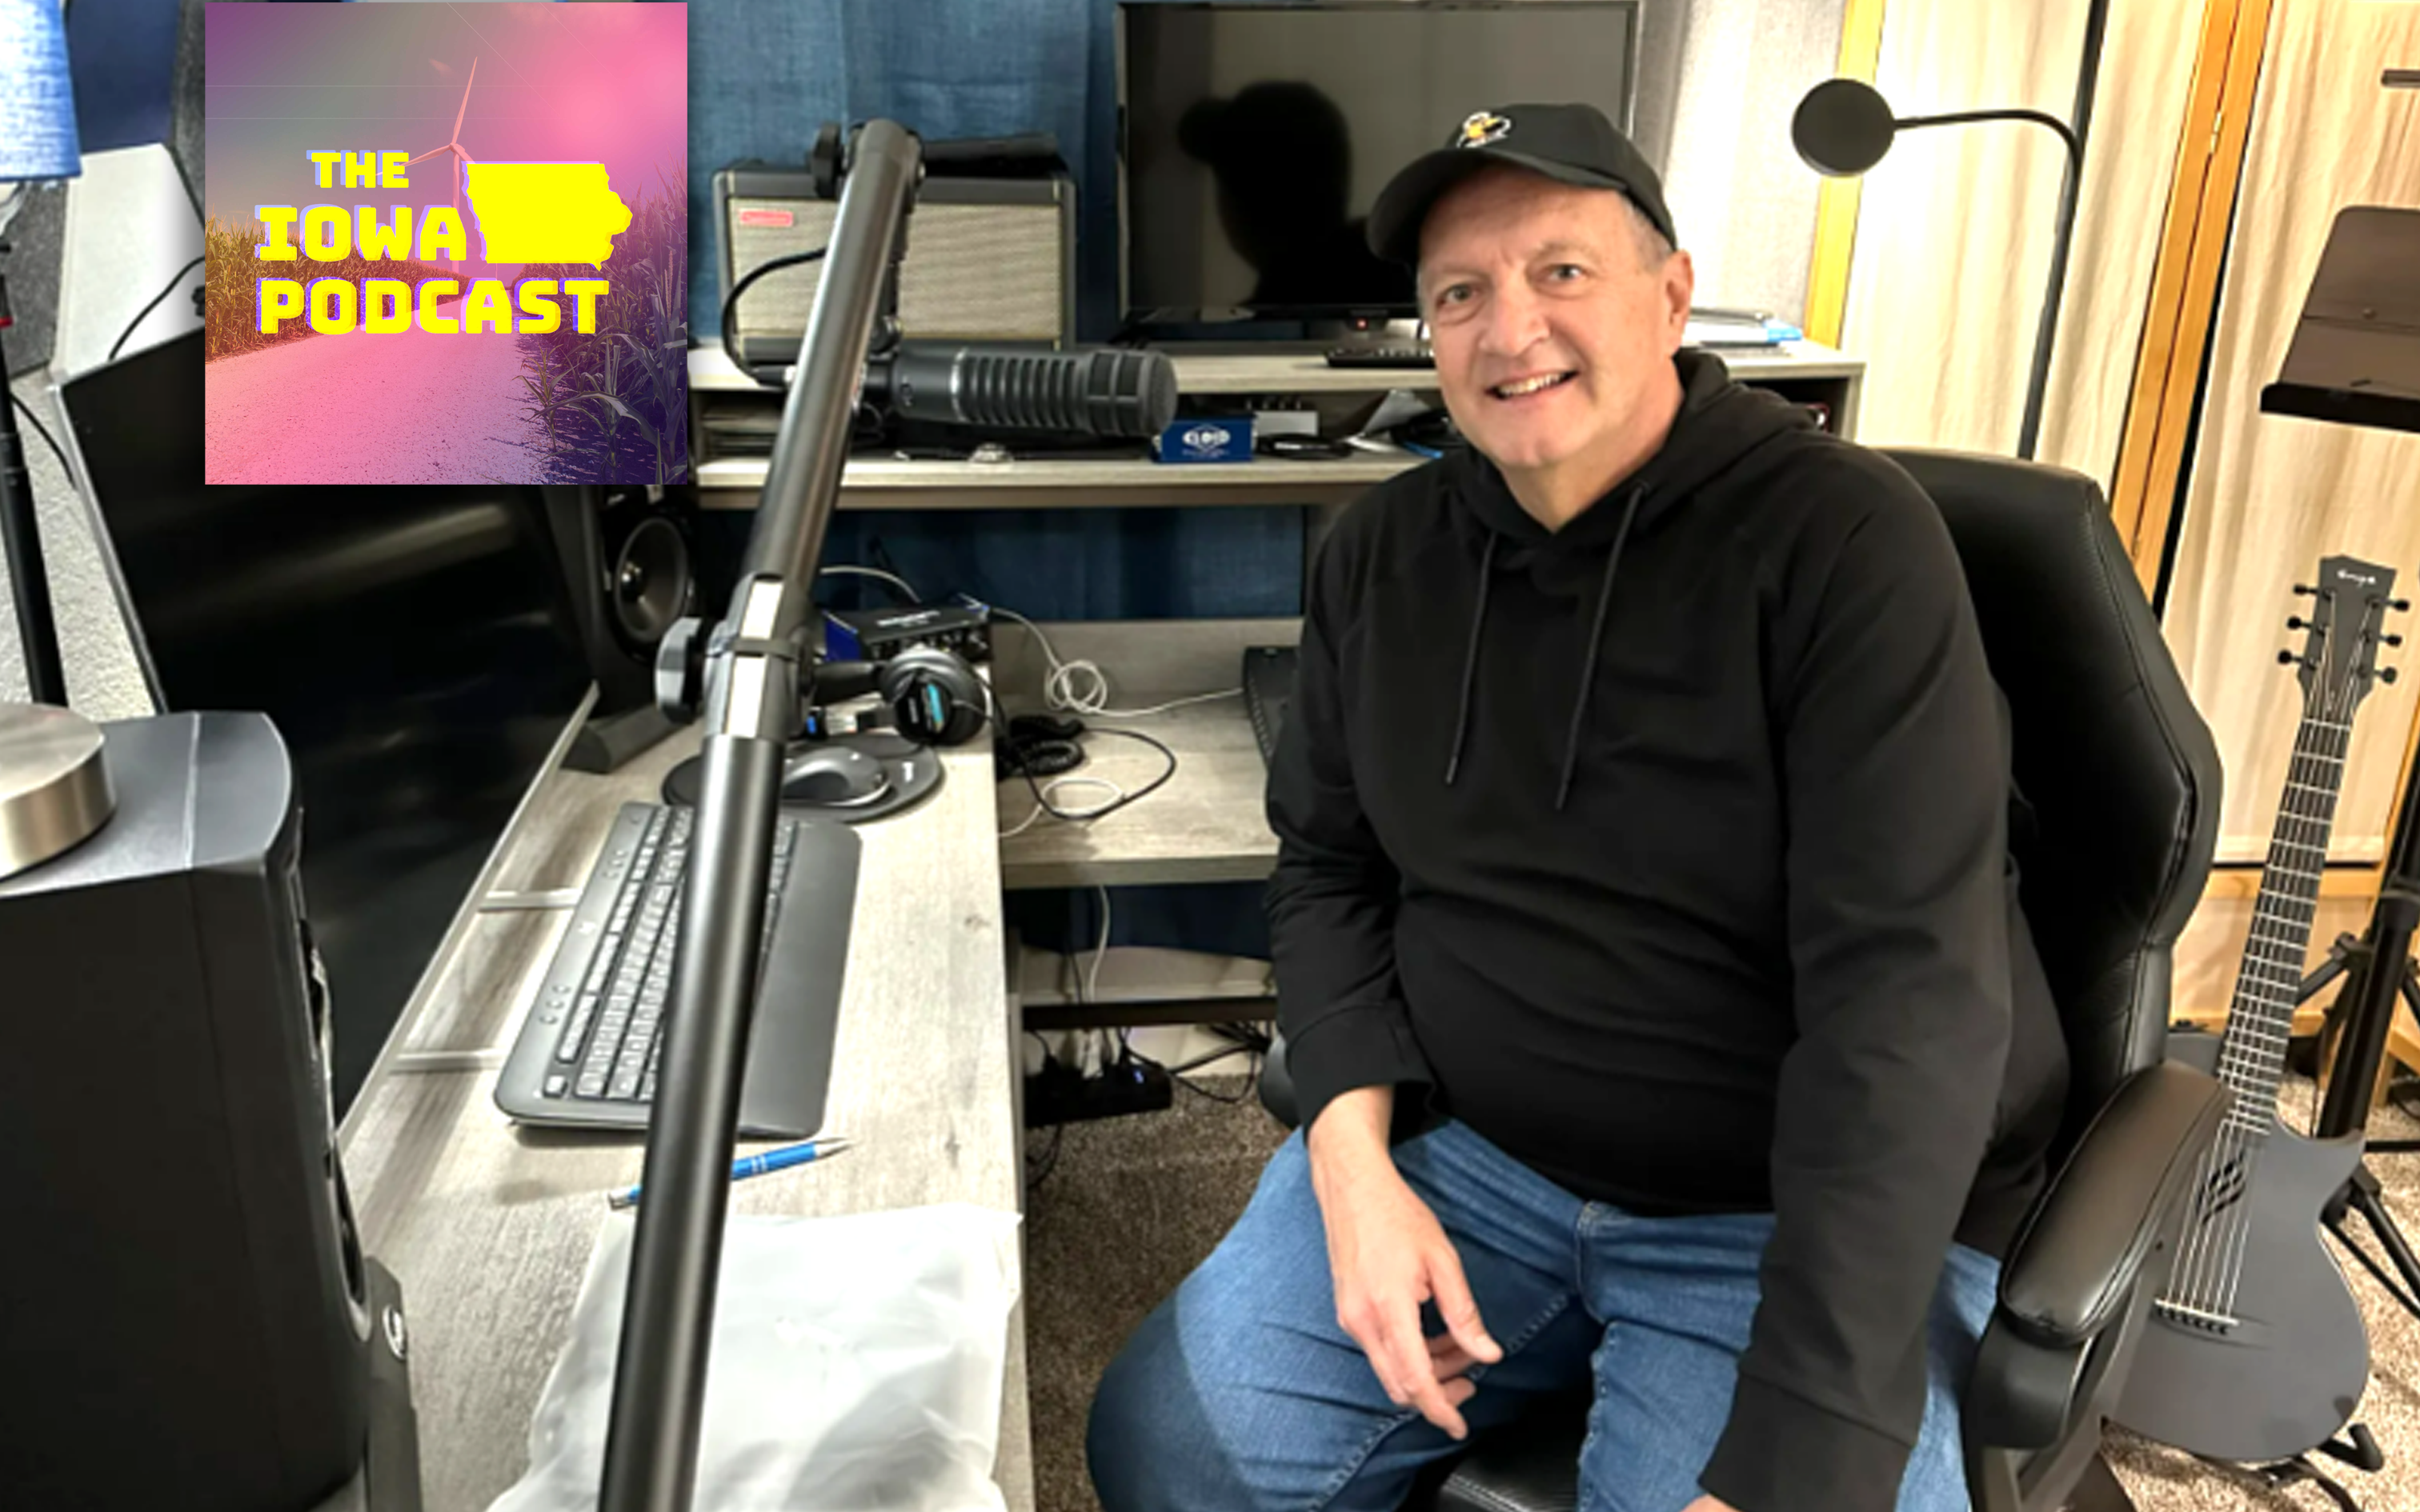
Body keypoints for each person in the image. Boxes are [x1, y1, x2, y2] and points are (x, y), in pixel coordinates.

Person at [1086, 102, 2069, 1512]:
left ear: (1670, 295)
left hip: (1783, 1211)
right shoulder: (1380, 558)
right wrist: (1350, 1164)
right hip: (1476, 1160)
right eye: (1459, 293)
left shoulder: (1848, 546)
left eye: (1561, 271)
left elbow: (1908, 1017)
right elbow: (1328, 870)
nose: (1510, 329)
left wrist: (1796, 1455)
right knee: (1173, 1458)